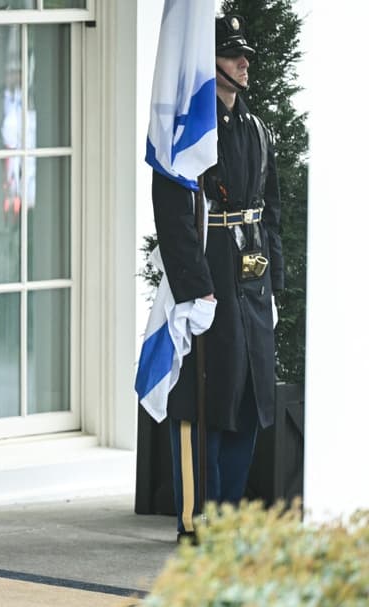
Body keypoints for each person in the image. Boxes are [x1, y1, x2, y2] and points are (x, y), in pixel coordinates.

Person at [151, 15, 284, 542]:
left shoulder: (256, 130)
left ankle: (229, 516)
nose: (244, 63)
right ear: (210, 65)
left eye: (244, 54)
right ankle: (197, 519)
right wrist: (193, 288)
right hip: (211, 274)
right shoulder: (192, 136)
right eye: (231, 54)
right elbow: (174, 216)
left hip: (250, 277)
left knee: (246, 398)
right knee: (201, 399)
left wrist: (273, 285)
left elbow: (270, 211)